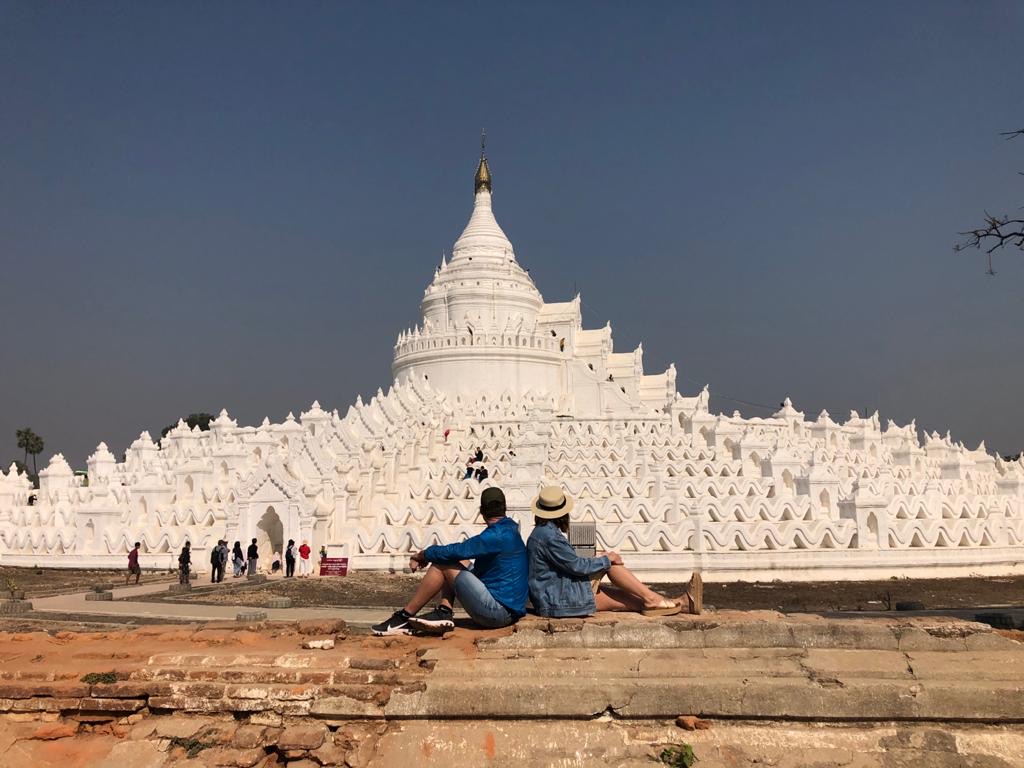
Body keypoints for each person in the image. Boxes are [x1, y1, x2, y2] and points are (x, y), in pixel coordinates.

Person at [371, 487, 527, 636]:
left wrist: (422, 555)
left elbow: (456, 551)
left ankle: (403, 617)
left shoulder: (496, 535)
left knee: (444, 562)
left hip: (498, 612)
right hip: (508, 607)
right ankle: (444, 611)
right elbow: (460, 554)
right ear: (504, 509)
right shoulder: (509, 529)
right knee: (458, 560)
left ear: (481, 511)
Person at [527, 486, 702, 618]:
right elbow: (575, 566)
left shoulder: (543, 533)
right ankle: (656, 599)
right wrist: (606, 560)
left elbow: (566, 561)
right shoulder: (550, 536)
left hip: (557, 596)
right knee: (612, 566)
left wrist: (599, 557)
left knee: (623, 597)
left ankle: (678, 603)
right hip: (558, 601)